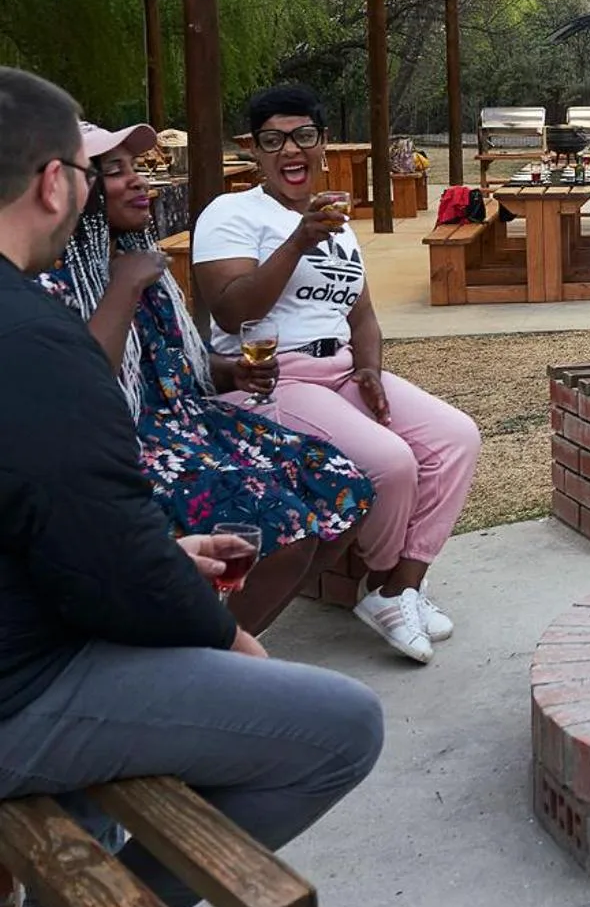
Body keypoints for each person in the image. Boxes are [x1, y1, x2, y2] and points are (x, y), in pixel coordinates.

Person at [0, 68, 382, 907]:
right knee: (343, 728)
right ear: (56, 183)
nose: (116, 182)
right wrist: (229, 639)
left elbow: (45, 511)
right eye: (97, 169)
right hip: (25, 685)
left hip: (36, 617)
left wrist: (161, 562)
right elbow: (109, 561)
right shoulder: (32, 333)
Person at [38, 122, 374, 633]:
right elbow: (81, 392)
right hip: (121, 447)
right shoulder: (49, 278)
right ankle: (209, 663)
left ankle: (230, 633)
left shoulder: (138, 261)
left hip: (190, 422)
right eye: (113, 171)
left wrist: (232, 371)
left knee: (346, 488)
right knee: (284, 532)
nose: (138, 182)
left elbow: (175, 370)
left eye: (136, 169)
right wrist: (124, 288)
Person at [193, 84, 482, 665]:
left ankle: (399, 588)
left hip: (343, 370)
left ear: (323, 143)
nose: (290, 149)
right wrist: (298, 240)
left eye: (303, 135)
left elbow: (364, 314)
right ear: (255, 150)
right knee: (390, 462)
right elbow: (231, 310)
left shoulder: (336, 224)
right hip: (275, 381)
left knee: (456, 438)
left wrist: (370, 368)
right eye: (273, 140)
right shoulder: (232, 213)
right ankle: (388, 585)